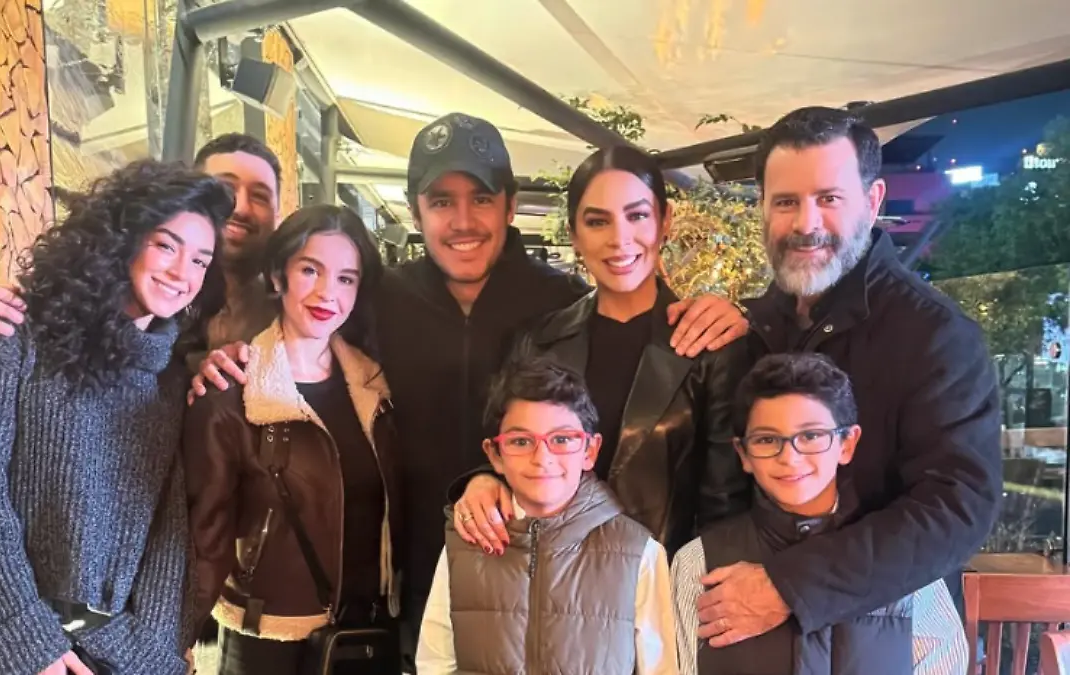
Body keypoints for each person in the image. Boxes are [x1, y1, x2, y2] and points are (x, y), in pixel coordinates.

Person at [191, 114, 752, 667]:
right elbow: (303, 332)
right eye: (441, 201)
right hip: (403, 584)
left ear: (510, 206)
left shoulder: (555, 304)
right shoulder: (381, 299)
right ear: (416, 210)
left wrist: (738, 313)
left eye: (481, 199)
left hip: (556, 588)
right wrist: (227, 354)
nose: (463, 221)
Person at [690, 107, 1001, 653]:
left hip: (895, 636)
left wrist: (791, 586)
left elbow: (958, 507)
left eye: (829, 198)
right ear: (762, 206)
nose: (806, 223)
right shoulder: (754, 328)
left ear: (873, 200)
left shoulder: (935, 335)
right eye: (786, 201)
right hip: (747, 623)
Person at [0, 159, 231, 675]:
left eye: (201, 259)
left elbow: (166, 525)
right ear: (120, 238)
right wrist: (25, 638)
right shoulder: (10, 332)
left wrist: (154, 651)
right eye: (166, 245)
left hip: (102, 641)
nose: (183, 273)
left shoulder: (169, 376)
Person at [451, 145, 750, 559]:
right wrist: (485, 479)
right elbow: (510, 447)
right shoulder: (538, 342)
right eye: (597, 221)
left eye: (637, 215)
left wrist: (685, 590)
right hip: (552, 575)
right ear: (574, 234)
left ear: (665, 221)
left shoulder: (709, 346)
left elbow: (725, 507)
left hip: (660, 583)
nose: (619, 239)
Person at [182, 204, 401, 674]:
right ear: (278, 275)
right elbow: (203, 538)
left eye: (346, 278)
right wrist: (174, 638)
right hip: (268, 640)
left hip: (364, 634)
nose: (327, 293)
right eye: (310, 270)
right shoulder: (232, 393)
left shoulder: (377, 389)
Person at [672, 352, 967, 675]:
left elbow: (944, 662)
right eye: (767, 439)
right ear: (743, 453)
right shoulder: (700, 563)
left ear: (847, 444)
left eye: (811, 436)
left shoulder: (902, 556)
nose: (789, 457)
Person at [417, 358, 677, 674]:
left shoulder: (639, 552)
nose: (541, 458)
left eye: (562, 439)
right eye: (521, 441)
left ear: (590, 451)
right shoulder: (465, 542)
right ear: (495, 455)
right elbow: (435, 663)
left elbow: (662, 669)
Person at [0, 132, 283, 357]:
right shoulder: (111, 296)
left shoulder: (291, 310)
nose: (239, 207)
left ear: (278, 212)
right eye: (225, 188)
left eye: (260, 196)